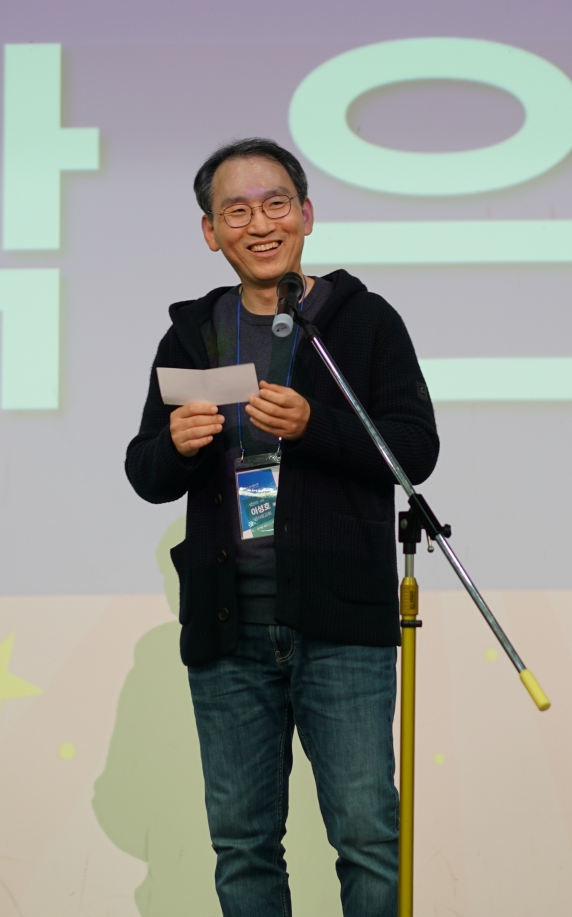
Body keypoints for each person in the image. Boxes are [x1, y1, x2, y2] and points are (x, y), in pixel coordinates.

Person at [124, 137, 439, 917]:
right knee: (243, 846)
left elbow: (415, 451)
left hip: (342, 623)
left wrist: (314, 425)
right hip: (228, 626)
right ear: (211, 232)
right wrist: (176, 446)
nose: (259, 224)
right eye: (236, 211)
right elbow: (145, 471)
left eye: (275, 204)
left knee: (368, 836)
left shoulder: (361, 322)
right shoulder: (193, 334)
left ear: (306, 214)